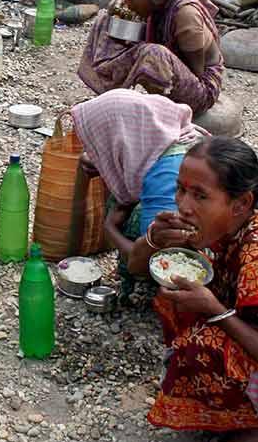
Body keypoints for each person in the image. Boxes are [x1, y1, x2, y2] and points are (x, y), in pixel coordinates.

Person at [128, 137, 258, 442]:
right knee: (174, 291)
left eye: (200, 195)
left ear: (241, 204)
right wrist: (154, 239)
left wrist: (218, 312)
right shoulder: (213, 227)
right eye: (181, 190)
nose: (184, 205)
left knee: (205, 343)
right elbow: (136, 266)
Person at [72, 90, 205, 304]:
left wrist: (110, 229)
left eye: (100, 142)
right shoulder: (178, 138)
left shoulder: (166, 177)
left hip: (184, 272)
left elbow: (149, 260)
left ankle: (146, 292)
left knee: (127, 211)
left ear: (121, 138)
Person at [78, 0, 224, 115]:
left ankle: (163, 110)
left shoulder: (186, 16)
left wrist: (143, 60)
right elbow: (126, 4)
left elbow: (196, 72)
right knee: (105, 19)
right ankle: (107, 88)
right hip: (174, 68)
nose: (127, 1)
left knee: (154, 55)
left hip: (201, 87)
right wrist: (117, 10)